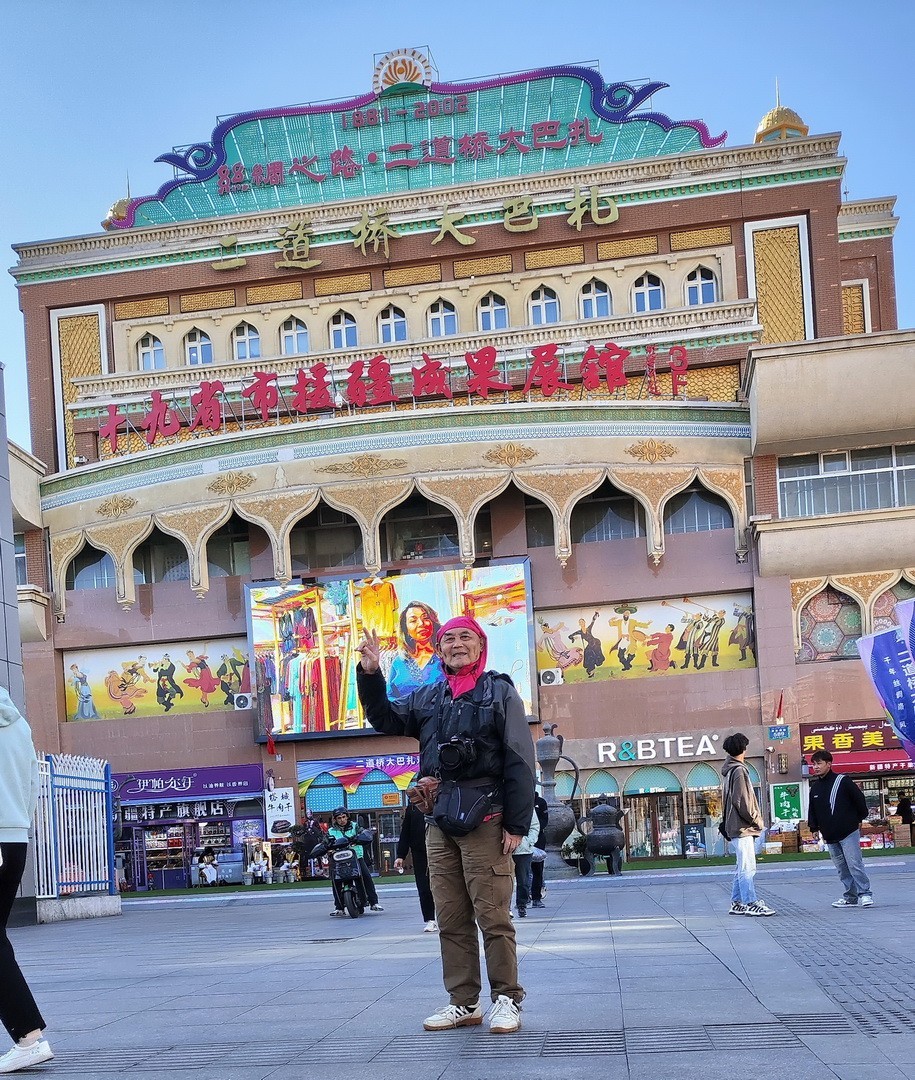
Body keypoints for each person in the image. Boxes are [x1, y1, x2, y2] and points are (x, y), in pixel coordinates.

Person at [357, 616, 535, 1035]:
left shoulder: (499, 692)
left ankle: (507, 998)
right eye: (448, 638)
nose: (456, 644)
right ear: (439, 649)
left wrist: (516, 823)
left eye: (465, 637)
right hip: (438, 820)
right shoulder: (429, 697)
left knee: (493, 916)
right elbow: (385, 718)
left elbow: (519, 758)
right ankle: (464, 1001)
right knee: (451, 916)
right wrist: (370, 674)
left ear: (479, 645)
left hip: (487, 818)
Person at [0, 687, 54, 1074]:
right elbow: (32, 785)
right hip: (13, 839)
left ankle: (29, 1037)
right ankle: (28, 1036)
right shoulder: (18, 725)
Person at [807, 750, 873, 908]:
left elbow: (860, 801)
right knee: (842, 869)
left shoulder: (842, 781)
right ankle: (850, 897)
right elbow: (813, 810)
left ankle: (865, 894)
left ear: (829, 764)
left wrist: (857, 819)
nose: (815, 767)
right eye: (814, 764)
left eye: (819, 763)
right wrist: (814, 827)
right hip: (830, 835)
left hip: (848, 832)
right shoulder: (815, 788)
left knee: (854, 864)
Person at [721, 732, 775, 916]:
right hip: (743, 827)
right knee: (747, 867)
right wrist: (757, 820)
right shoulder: (739, 771)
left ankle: (737, 902)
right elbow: (743, 800)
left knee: (741, 866)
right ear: (744, 749)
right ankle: (750, 901)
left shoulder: (730, 771)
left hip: (735, 826)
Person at [327, 809, 382, 916]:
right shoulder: (331, 831)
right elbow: (326, 842)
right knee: (336, 881)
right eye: (339, 818)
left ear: (347, 817)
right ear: (335, 819)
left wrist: (358, 838)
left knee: (366, 876)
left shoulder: (355, 826)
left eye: (344, 817)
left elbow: (365, 834)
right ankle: (339, 907)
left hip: (356, 857)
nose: (342, 820)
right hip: (338, 860)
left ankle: (374, 902)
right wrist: (328, 848)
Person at [388, 601, 443, 700]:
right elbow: (390, 696)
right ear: (405, 628)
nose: (421, 624)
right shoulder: (399, 662)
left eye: (426, 618)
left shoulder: (445, 657)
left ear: (433, 622)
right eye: (413, 620)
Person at [395, 803, 436, 932]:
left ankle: (450, 918)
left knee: (445, 885)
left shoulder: (441, 800)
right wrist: (401, 855)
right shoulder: (413, 807)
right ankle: (430, 919)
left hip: (441, 850)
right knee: (424, 887)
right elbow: (406, 831)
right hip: (419, 852)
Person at [511, 807, 541, 918]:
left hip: (523, 850)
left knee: (523, 881)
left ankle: (521, 905)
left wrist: (529, 841)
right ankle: (506, 907)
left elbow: (534, 826)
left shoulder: (528, 806)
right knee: (504, 881)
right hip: (505, 849)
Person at [529, 794, 548, 908]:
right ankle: (522, 899)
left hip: (538, 838)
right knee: (522, 870)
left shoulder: (540, 802)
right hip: (522, 838)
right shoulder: (520, 800)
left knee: (537, 869)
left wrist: (534, 830)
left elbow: (544, 820)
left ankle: (536, 897)